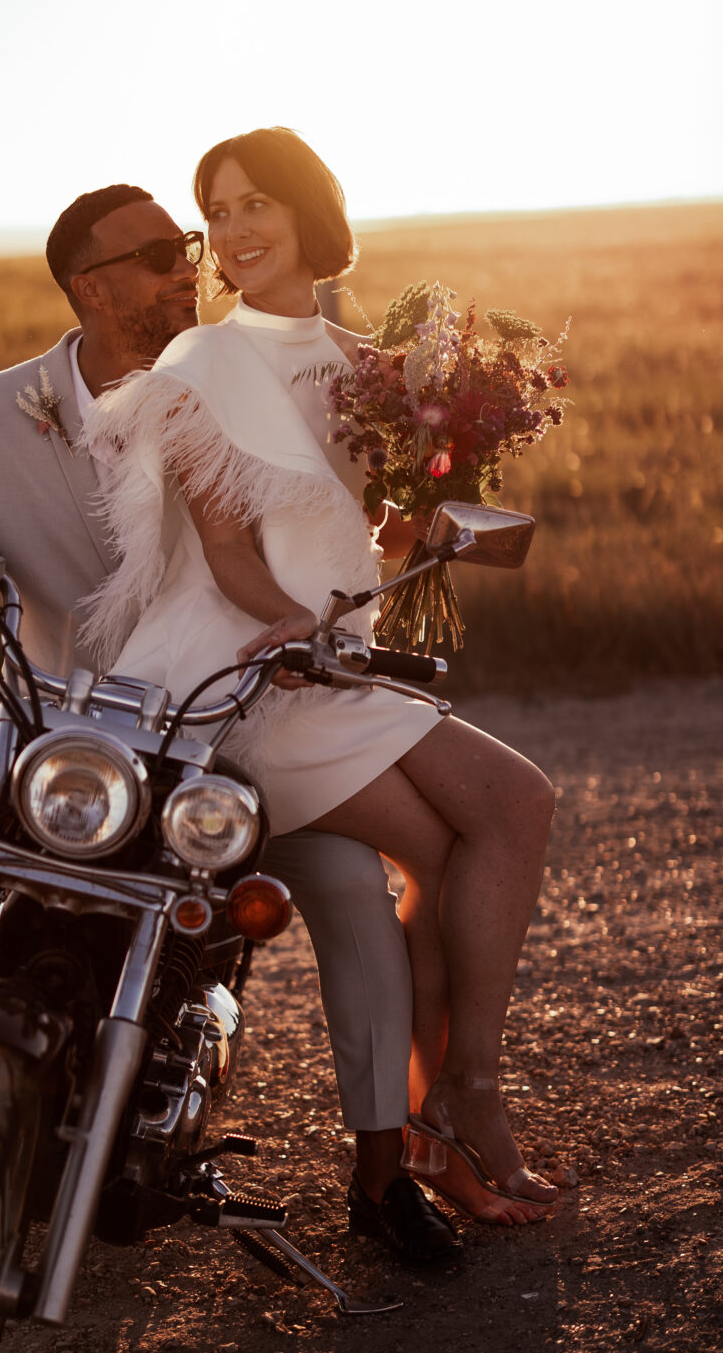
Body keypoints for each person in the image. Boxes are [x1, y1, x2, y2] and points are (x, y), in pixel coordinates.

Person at [0, 182, 458, 1273]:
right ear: (88, 288)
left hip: (225, 725)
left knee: (349, 892)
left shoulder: (243, 375)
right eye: (156, 256)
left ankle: (383, 1177)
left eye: (185, 245)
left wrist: (421, 486)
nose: (187, 267)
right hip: (49, 724)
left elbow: (337, 518)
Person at [81, 128, 560, 1231]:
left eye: (255, 203)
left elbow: (361, 537)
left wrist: (425, 508)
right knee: (496, 813)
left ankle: (452, 1107)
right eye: (217, 213)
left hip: (333, 660)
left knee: (497, 818)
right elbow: (230, 553)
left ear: (307, 210)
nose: (234, 230)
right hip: (241, 673)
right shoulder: (201, 364)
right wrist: (296, 627)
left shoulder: (369, 365)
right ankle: (457, 1110)